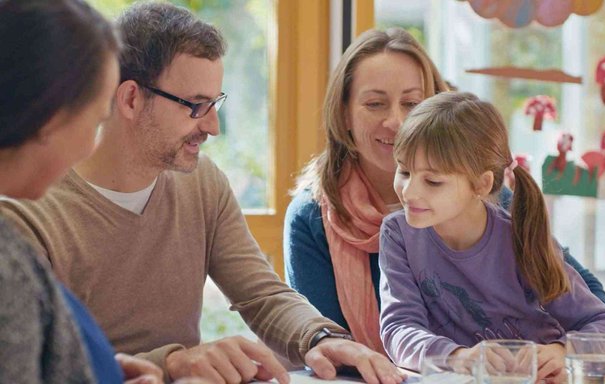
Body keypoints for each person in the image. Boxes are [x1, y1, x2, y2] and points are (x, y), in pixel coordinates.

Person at [0, 2, 404, 384]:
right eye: (195, 105)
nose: (212, 126)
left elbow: (261, 293)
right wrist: (172, 362)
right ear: (129, 98)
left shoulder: (201, 182)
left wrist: (321, 339)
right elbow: (47, 362)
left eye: (215, 103)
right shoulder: (26, 209)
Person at [283, 27, 605, 356]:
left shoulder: (489, 203)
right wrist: (457, 359)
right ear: (345, 114)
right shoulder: (323, 219)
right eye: (374, 103)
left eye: (412, 103)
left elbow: (590, 306)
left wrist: (557, 351)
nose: (396, 121)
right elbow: (325, 343)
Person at [379, 91, 605, 382]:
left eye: (433, 181)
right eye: (405, 171)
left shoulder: (521, 237)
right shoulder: (398, 234)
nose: (409, 192)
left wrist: (562, 352)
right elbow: (399, 328)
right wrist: (458, 357)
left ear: (481, 184)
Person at [0, 0, 164, 383]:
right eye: (97, 122)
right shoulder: (7, 266)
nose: (92, 146)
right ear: (51, 118)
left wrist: (84, 368)